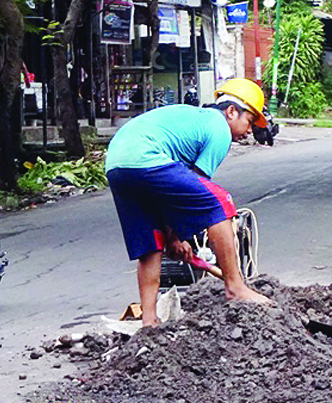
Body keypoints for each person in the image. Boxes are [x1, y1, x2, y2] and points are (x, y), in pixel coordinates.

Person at [105, 77, 272, 325]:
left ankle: (149, 321)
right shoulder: (219, 128)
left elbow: (174, 195)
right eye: (249, 121)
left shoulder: (195, 120)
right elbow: (195, 190)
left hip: (117, 164)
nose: (249, 131)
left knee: (152, 241)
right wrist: (175, 237)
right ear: (231, 112)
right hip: (146, 156)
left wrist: (170, 238)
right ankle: (235, 287)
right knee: (219, 202)